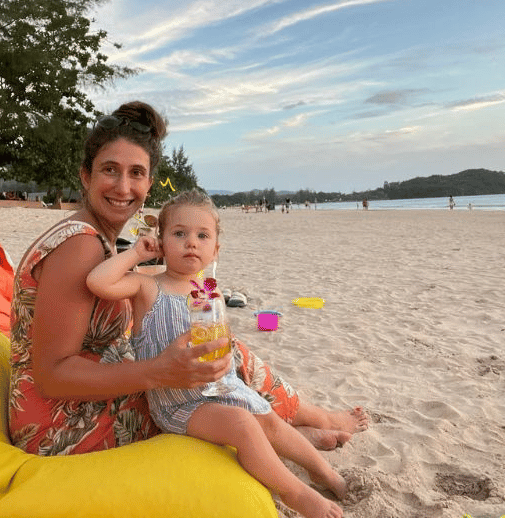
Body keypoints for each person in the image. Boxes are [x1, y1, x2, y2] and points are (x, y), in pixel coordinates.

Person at [8, 100, 367, 458]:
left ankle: (296, 427)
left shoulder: (95, 238)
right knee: (213, 367)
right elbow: (52, 376)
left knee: (214, 346)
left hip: (84, 393)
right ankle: (305, 425)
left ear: (149, 183)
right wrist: (158, 372)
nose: (122, 186)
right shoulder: (80, 246)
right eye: (109, 170)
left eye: (136, 173)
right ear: (86, 175)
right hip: (61, 423)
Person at [88, 190, 345, 518]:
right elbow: (98, 281)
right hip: (179, 403)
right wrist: (137, 252)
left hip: (221, 389)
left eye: (202, 235)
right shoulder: (147, 286)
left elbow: (220, 342)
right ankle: (297, 494)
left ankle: (324, 472)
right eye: (179, 234)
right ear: (161, 243)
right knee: (243, 424)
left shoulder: (208, 291)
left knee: (269, 419)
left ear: (215, 250)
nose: (191, 243)